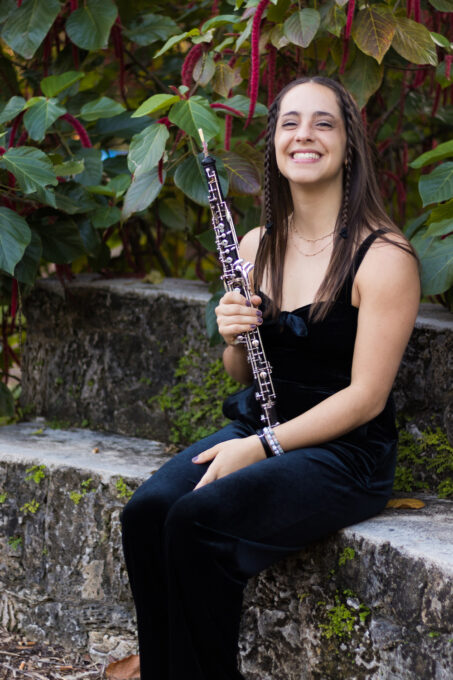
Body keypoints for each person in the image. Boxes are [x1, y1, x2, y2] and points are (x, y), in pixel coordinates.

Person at [121, 76, 420, 680]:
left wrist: (260, 449)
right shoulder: (258, 245)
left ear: (349, 145)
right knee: (147, 512)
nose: (304, 135)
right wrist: (234, 335)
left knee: (197, 521)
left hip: (345, 455)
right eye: (290, 123)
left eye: (323, 123)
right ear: (275, 144)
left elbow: (366, 400)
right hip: (262, 426)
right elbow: (242, 370)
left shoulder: (385, 258)